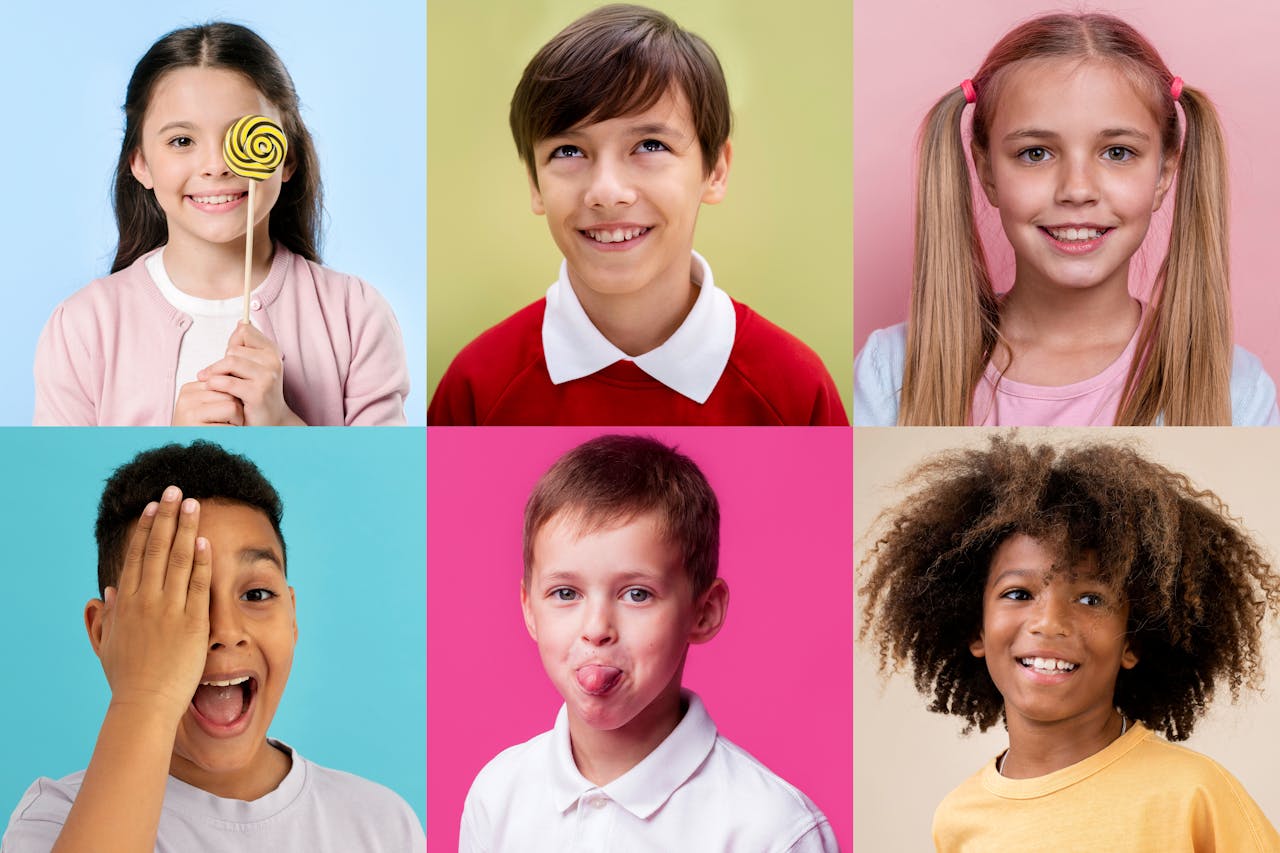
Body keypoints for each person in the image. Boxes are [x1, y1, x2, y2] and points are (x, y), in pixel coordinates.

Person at [428, 4, 847, 426]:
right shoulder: (476, 387)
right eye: (568, 151)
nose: (607, 192)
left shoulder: (794, 389)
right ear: (536, 185)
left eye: (649, 145)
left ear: (715, 171)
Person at [853, 12, 1278, 426]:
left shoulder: (1236, 392)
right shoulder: (890, 371)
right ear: (987, 173)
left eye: (1117, 152)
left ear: (1164, 174)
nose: (1077, 190)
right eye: (1035, 153)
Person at [860, 436, 1280, 851]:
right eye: (1019, 594)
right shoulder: (957, 820)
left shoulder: (1194, 796)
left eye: (1090, 599)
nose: (1049, 623)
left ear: (1132, 640)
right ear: (976, 630)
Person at [0, 440, 424, 851]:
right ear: (103, 632)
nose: (224, 629)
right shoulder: (54, 821)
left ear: (292, 617)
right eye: (182, 598)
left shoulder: (380, 821)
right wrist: (143, 698)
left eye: (256, 594)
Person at [460, 435, 838, 851]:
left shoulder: (772, 830)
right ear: (530, 609)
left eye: (636, 594)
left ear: (704, 612)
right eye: (566, 593)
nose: (597, 628)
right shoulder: (497, 796)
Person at [34, 23, 409, 426]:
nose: (217, 166)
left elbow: (387, 487)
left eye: (241, 135)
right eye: (182, 141)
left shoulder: (355, 316)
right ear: (140, 163)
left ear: (287, 158)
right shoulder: (83, 328)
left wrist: (284, 425)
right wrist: (172, 451)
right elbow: (62, 489)